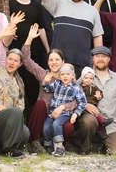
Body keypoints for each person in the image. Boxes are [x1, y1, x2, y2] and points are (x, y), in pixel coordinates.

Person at [36, 0, 103, 76]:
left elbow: (97, 37)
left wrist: (97, 62)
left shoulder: (92, 11)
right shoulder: (58, 2)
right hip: (58, 64)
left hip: (82, 66)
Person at [21, 24, 79, 153]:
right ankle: (35, 142)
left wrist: (63, 107)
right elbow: (25, 60)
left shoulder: (69, 78)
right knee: (41, 104)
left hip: (58, 118)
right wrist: (30, 38)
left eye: (57, 59)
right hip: (41, 117)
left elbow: (77, 100)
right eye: (51, 60)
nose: (54, 62)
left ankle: (59, 144)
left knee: (69, 127)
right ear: (47, 62)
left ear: (63, 62)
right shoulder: (43, 74)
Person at [0, 24, 29, 157]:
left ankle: (3, 145)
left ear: (20, 64)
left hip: (9, 120)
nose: (11, 62)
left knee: (25, 132)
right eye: (10, 59)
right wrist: (2, 35)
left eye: (15, 61)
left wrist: (11, 112)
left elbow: (20, 107)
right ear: (6, 59)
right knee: (15, 114)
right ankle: (10, 149)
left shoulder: (19, 82)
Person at [8, 0, 50, 113]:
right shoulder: (10, 4)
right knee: (15, 82)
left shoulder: (36, 6)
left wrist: (48, 49)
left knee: (32, 84)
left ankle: (32, 115)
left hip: (33, 50)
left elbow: (42, 28)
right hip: (14, 49)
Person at [86, 47, 116, 155]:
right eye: (97, 56)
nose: (100, 59)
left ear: (109, 59)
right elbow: (75, 95)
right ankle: (89, 143)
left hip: (111, 125)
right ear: (93, 59)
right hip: (92, 122)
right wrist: (86, 105)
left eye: (104, 56)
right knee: (88, 122)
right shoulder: (86, 77)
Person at [42, 63, 87, 156]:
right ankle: (48, 145)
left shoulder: (76, 88)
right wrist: (45, 82)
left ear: (73, 75)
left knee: (56, 124)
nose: (65, 76)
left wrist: (76, 114)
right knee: (46, 127)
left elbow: (82, 103)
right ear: (59, 76)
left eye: (68, 74)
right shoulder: (57, 84)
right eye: (62, 74)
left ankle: (60, 147)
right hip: (53, 112)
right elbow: (47, 89)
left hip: (66, 113)